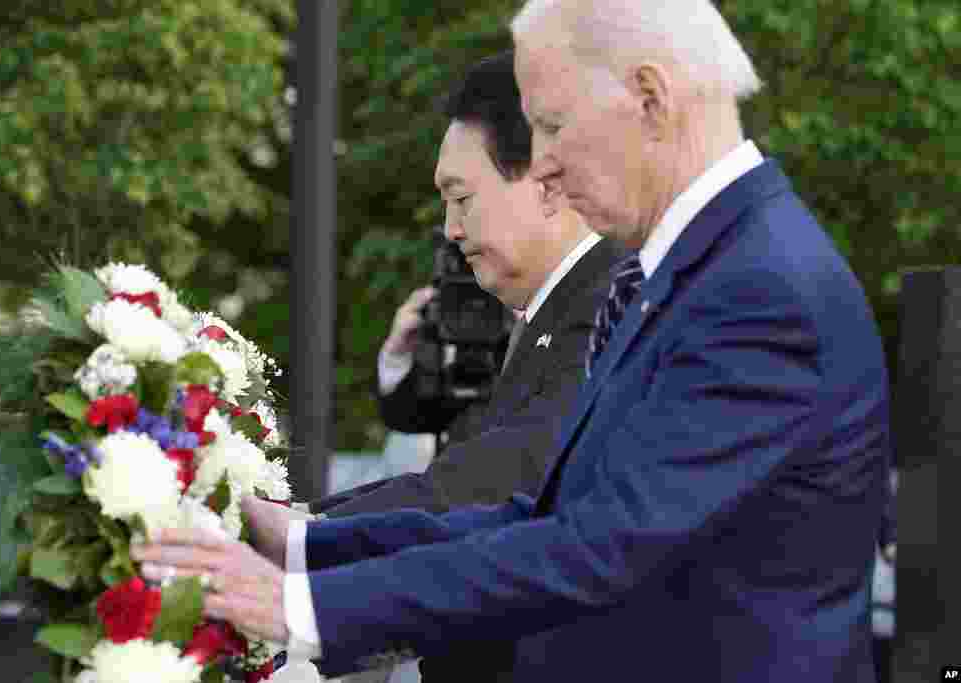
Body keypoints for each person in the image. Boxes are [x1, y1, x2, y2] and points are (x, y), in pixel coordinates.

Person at [134, 2, 891, 680]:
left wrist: (297, 606)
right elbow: (546, 518)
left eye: (553, 125)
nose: (548, 164)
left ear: (651, 98)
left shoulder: (759, 290)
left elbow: (598, 547)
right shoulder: (701, 269)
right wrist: (302, 549)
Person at [310, 52, 623, 521]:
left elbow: (500, 479)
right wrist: (305, 519)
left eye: (461, 198)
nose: (452, 229)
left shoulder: (610, 307)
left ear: (548, 185)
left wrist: (306, 530)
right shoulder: (562, 308)